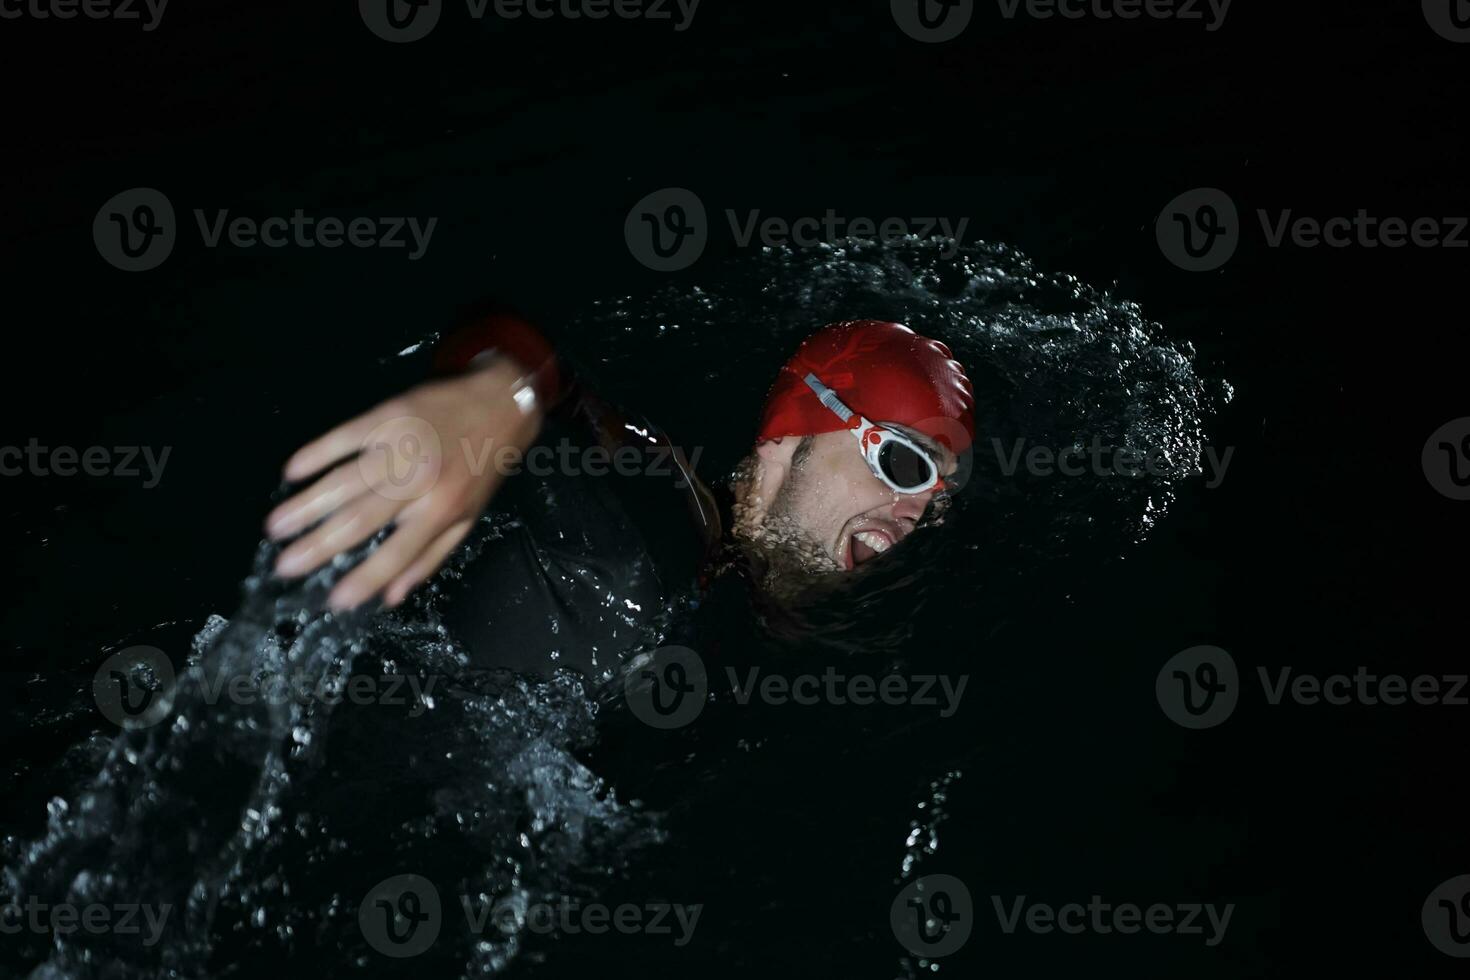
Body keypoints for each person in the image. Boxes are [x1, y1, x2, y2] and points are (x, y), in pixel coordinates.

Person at [264, 312, 975, 676]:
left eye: (939, 500)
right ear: (787, 439)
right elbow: (511, 351)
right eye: (906, 466)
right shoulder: (645, 526)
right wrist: (488, 398)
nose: (917, 515)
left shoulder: (725, 596)